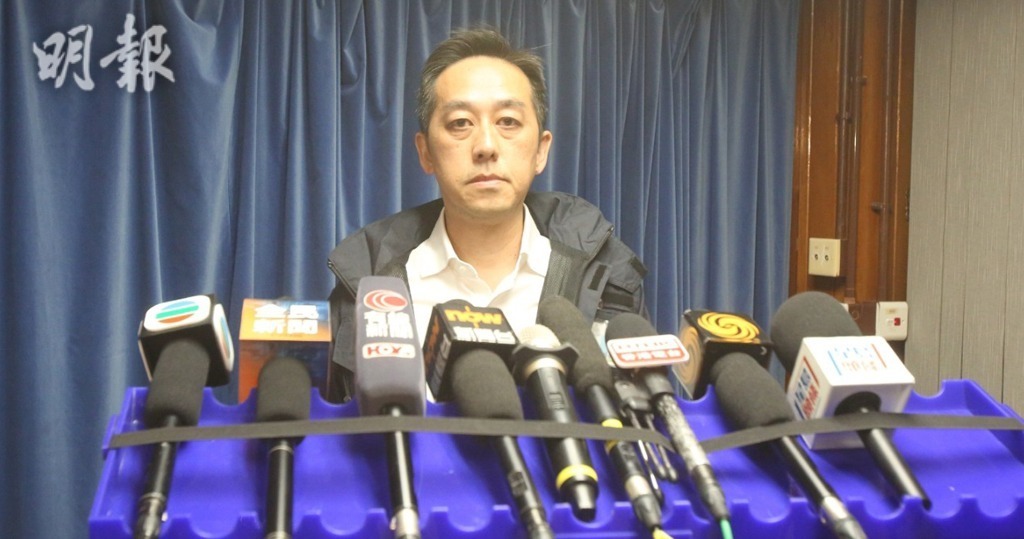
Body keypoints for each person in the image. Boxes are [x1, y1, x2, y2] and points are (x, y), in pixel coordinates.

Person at [326, 27, 647, 402]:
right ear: (425, 153)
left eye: (508, 121)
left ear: (541, 150)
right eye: (460, 123)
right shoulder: (369, 284)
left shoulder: (609, 279)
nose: (486, 146)